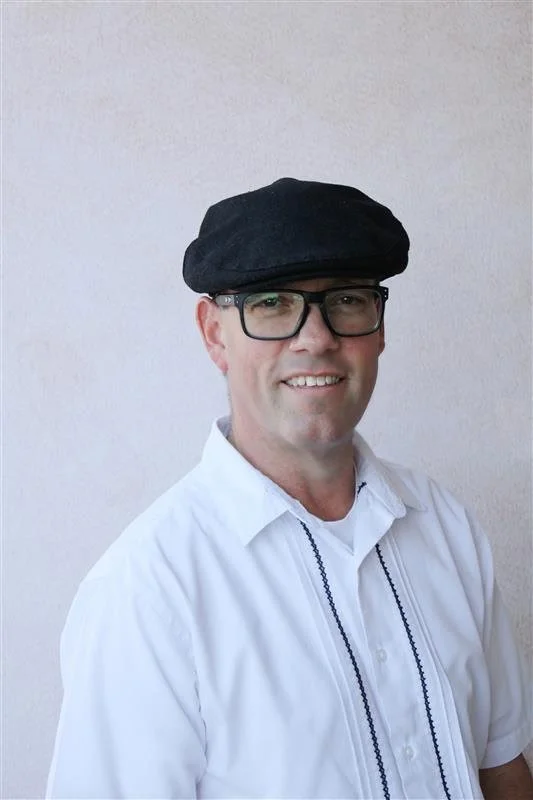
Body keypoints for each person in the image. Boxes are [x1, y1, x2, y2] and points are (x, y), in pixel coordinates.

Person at [47, 178, 532, 799]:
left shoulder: (445, 526)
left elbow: (502, 771)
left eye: (347, 300)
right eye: (272, 303)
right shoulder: (148, 589)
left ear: (379, 328)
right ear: (215, 333)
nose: (317, 338)